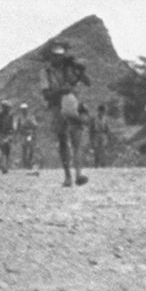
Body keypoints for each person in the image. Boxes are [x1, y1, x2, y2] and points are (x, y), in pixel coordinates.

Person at [40, 42, 89, 187]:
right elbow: (46, 94)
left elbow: (87, 82)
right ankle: (68, 175)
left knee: (76, 140)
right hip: (57, 105)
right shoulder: (45, 72)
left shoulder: (70, 68)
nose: (58, 59)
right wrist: (62, 90)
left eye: (60, 56)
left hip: (72, 104)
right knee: (63, 140)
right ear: (51, 57)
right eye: (55, 56)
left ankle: (78, 174)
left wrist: (80, 71)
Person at [0, 101, 15, 174]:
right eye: (5, 107)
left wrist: (11, 132)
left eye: (7, 108)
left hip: (8, 134)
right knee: (3, 150)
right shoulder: (0, 116)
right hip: (1, 134)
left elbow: (11, 126)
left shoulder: (10, 116)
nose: (7, 109)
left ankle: (5, 165)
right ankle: (3, 166)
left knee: (7, 150)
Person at [17, 103, 38, 171]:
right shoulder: (20, 118)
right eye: (22, 109)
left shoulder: (31, 116)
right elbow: (18, 127)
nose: (24, 111)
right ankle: (25, 164)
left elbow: (35, 125)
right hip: (23, 134)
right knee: (24, 149)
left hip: (30, 134)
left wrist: (30, 123)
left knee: (31, 148)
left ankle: (29, 161)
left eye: (25, 109)